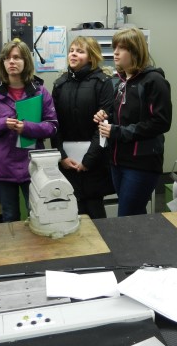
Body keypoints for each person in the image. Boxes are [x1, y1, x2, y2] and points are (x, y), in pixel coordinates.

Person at [0, 39, 58, 222]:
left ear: (26, 61)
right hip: (3, 165)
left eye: (17, 57)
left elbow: (52, 126)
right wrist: (2, 123)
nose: (11, 61)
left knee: (37, 214)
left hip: (33, 165)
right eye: (7, 58)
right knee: (10, 216)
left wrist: (27, 127)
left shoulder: (40, 92)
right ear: (2, 63)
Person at [95, 27, 172, 216]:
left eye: (122, 48)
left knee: (127, 215)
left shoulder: (154, 81)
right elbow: (120, 114)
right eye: (114, 47)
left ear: (136, 51)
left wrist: (117, 132)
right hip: (118, 160)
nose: (115, 52)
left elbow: (161, 122)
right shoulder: (121, 81)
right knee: (134, 215)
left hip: (142, 162)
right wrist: (105, 115)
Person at [51, 36, 114, 219]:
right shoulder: (60, 84)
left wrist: (89, 160)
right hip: (67, 161)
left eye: (80, 51)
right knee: (71, 210)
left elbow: (103, 126)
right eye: (71, 50)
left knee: (95, 211)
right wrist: (62, 156)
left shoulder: (103, 82)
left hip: (94, 160)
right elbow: (54, 124)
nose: (73, 54)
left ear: (91, 56)